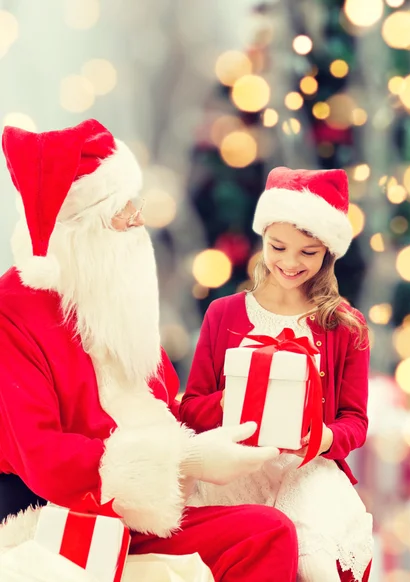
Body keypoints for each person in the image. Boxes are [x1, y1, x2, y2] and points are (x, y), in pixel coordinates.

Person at [0, 120, 298, 582]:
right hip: (58, 519)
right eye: (124, 210)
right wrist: (186, 459)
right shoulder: (12, 314)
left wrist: (243, 404)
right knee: (267, 533)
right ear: (83, 229)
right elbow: (45, 459)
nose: (139, 219)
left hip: (138, 511)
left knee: (270, 531)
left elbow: (161, 408)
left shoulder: (110, 293)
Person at [180, 167, 373, 582]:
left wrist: (323, 438)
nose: (289, 262)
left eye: (308, 252)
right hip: (235, 468)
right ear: (262, 238)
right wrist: (242, 398)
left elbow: (355, 422)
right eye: (278, 246)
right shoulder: (225, 314)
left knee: (314, 557)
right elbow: (191, 410)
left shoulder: (346, 326)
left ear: (328, 253)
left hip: (306, 470)